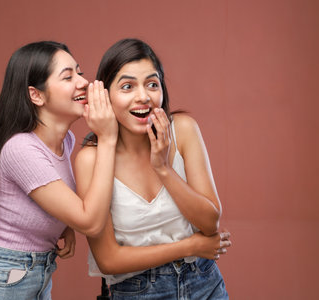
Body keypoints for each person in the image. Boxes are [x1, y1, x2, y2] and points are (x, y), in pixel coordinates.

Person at [0, 41, 118, 300]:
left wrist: (62, 224)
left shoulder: (66, 140)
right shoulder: (21, 149)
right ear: (36, 95)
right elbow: (91, 222)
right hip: (0, 282)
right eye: (68, 76)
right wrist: (107, 138)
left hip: (33, 278)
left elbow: (42, 198)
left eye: (79, 72)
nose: (83, 82)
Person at [74, 38, 231, 299]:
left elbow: (210, 221)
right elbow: (108, 260)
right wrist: (190, 245)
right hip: (137, 291)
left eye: (152, 84)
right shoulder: (91, 159)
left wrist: (164, 169)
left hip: (204, 283)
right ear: (106, 96)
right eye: (127, 86)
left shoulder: (183, 129)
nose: (143, 97)